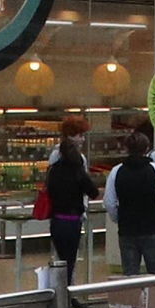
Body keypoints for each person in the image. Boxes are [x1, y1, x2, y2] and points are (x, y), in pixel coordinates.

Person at [41, 117, 95, 287]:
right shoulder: (77, 161)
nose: (83, 139)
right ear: (70, 136)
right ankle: (68, 296)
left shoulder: (56, 160)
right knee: (69, 260)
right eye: (80, 135)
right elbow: (89, 188)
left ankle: (67, 295)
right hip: (73, 216)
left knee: (64, 260)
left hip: (58, 217)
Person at [110, 123, 155, 280]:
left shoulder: (117, 171)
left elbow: (110, 202)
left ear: (127, 147)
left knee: (129, 275)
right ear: (147, 148)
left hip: (127, 229)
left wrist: (119, 218)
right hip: (152, 228)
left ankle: (132, 304)